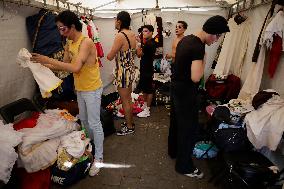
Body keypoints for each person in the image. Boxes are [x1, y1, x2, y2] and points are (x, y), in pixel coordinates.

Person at [30, 10, 104, 176]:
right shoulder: (69, 44)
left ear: (72, 26)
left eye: (62, 28)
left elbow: (75, 67)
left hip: (92, 89)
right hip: (81, 88)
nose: (60, 32)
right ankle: (90, 146)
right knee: (84, 120)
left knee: (94, 122)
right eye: (58, 29)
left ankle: (99, 157)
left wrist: (47, 60)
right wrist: (41, 64)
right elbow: (64, 66)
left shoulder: (86, 42)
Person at [168, 15, 230, 178]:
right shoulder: (198, 47)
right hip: (186, 92)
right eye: (218, 37)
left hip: (176, 87)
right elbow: (196, 77)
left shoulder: (186, 39)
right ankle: (184, 166)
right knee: (188, 129)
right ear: (213, 33)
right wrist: (204, 59)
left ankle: (173, 152)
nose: (216, 41)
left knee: (176, 122)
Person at [107, 11, 137, 136]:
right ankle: (130, 122)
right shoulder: (132, 33)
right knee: (128, 99)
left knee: (125, 100)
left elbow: (110, 56)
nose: (115, 22)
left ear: (119, 21)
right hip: (130, 70)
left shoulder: (120, 36)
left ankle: (129, 127)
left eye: (115, 20)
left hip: (123, 72)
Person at [136, 25, 157, 118]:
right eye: (143, 31)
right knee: (145, 88)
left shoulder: (150, 44)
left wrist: (138, 44)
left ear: (151, 32)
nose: (144, 33)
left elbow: (139, 54)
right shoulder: (148, 43)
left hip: (147, 70)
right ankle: (145, 106)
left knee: (148, 90)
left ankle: (147, 110)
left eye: (146, 31)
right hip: (145, 69)